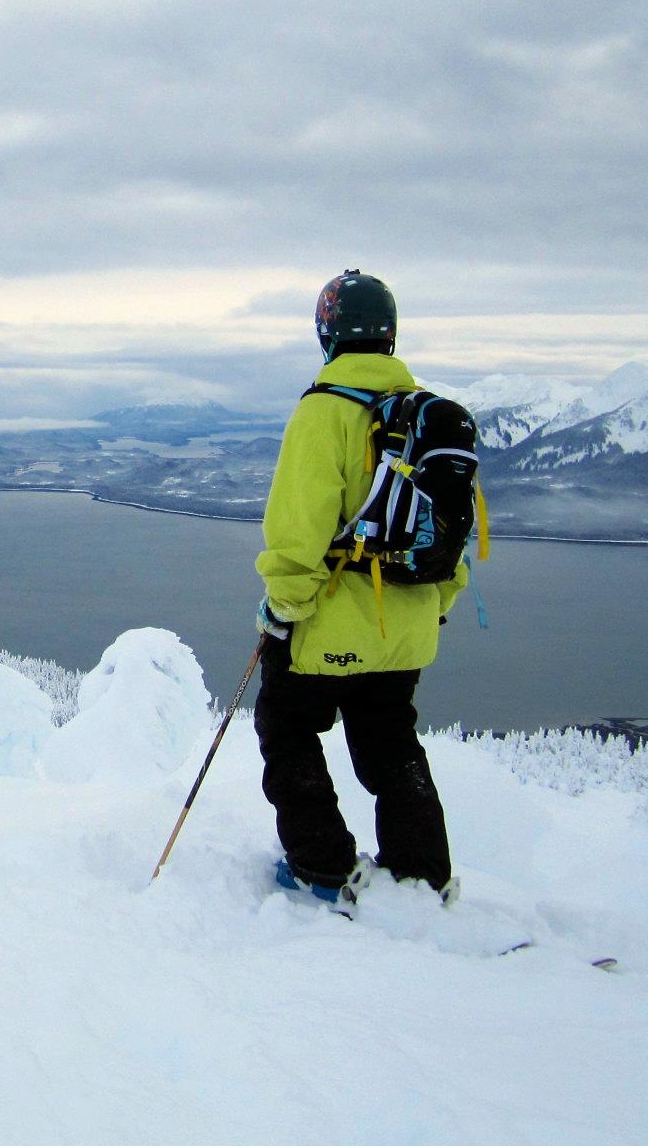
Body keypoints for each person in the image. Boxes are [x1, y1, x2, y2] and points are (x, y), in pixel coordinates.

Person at [252, 269, 467, 904]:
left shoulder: (325, 411)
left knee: (286, 726)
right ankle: (421, 873)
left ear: (327, 332)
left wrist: (284, 607)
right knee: (390, 740)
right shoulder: (426, 417)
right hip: (407, 626)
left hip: (330, 626)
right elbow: (453, 532)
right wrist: (433, 605)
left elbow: (299, 527)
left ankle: (321, 866)